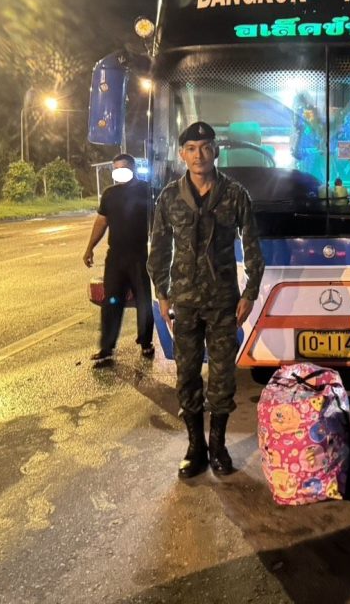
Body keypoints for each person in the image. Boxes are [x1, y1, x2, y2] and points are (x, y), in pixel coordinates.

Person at [147, 121, 265, 478]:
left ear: (216, 151)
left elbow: (252, 246)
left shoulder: (235, 194)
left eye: (205, 147)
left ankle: (218, 446)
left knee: (223, 377)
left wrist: (250, 293)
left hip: (223, 302)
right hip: (184, 302)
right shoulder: (169, 197)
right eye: (191, 149)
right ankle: (195, 447)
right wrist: (162, 292)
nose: (199, 155)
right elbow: (158, 247)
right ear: (182, 155)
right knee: (187, 376)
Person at [83, 153, 155, 365]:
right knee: (111, 301)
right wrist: (89, 248)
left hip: (139, 256)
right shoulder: (109, 194)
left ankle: (146, 342)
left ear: (132, 168)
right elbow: (101, 222)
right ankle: (106, 348)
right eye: (116, 169)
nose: (119, 172)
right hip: (115, 257)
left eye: (123, 168)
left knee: (143, 301)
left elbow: (158, 219)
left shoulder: (146, 190)